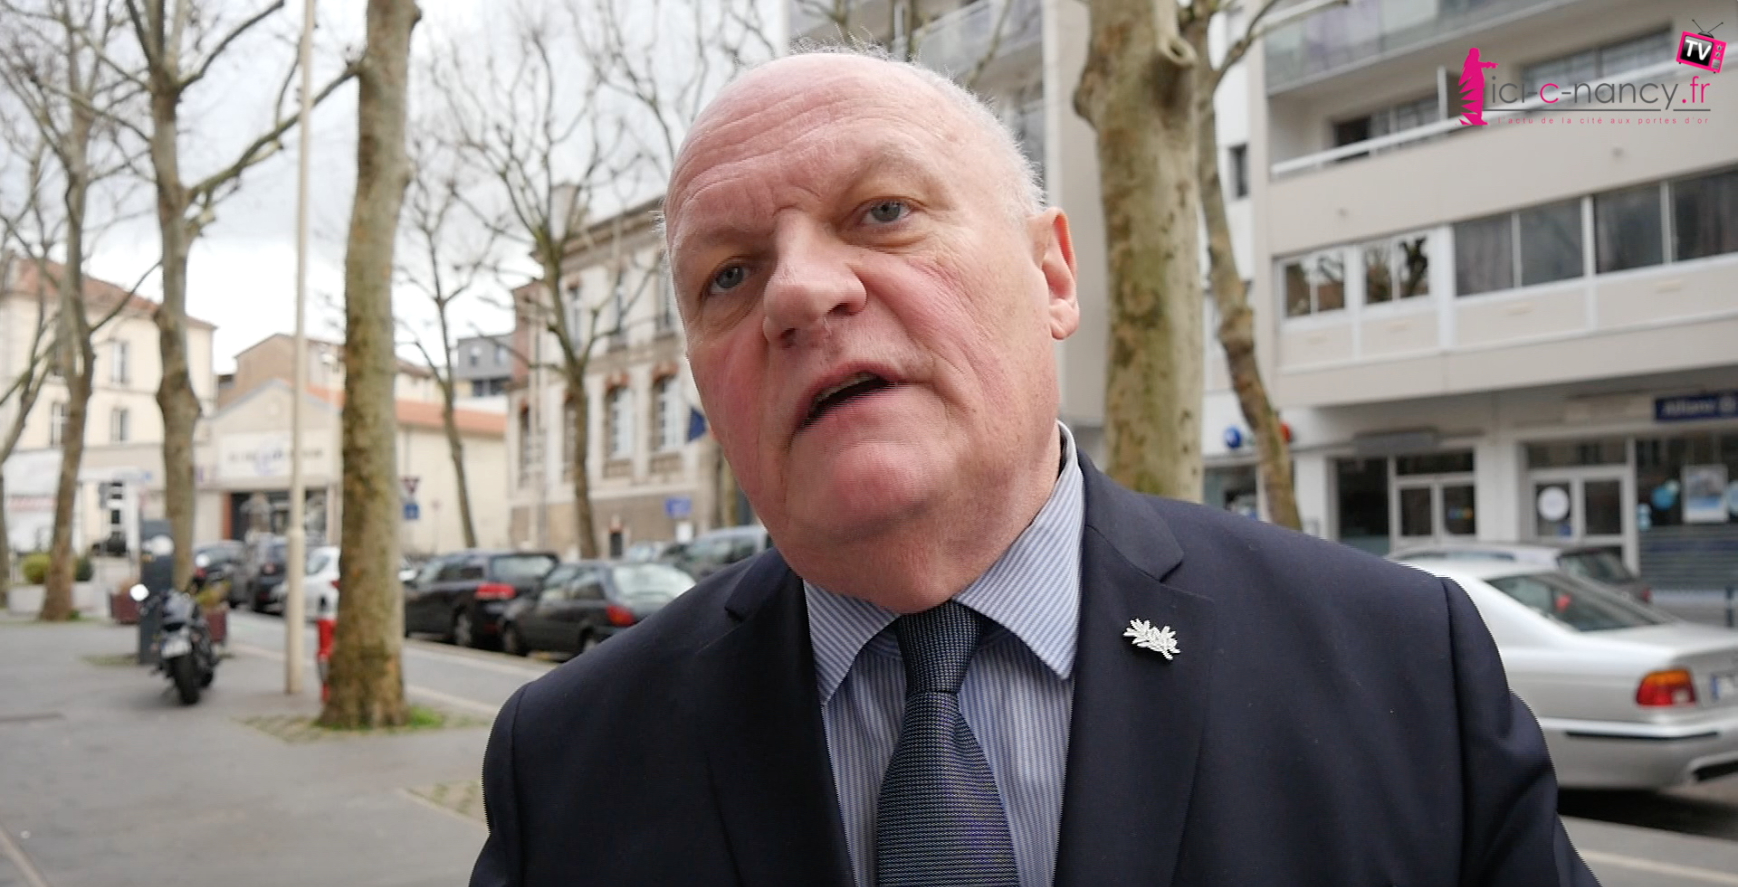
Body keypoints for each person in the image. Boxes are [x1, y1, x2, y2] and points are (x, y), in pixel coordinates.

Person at [470, 50, 1599, 887]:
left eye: (883, 211)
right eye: (728, 274)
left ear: (1054, 274)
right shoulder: (566, 759)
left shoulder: (1402, 668)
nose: (799, 292)